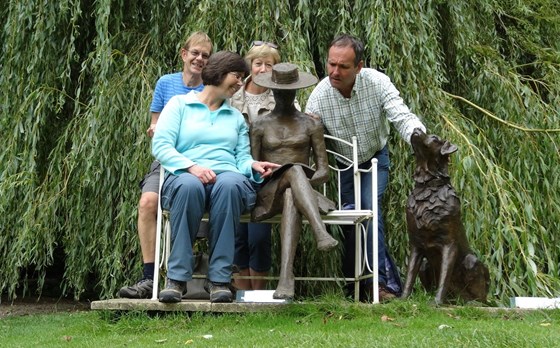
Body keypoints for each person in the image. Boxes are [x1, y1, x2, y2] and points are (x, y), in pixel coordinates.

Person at [305, 34, 427, 302]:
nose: (335, 72)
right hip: (343, 164)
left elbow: (401, 115)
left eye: (343, 66)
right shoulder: (319, 97)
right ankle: (356, 285)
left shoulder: (377, 82)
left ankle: (378, 285)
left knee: (370, 211)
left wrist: (420, 139)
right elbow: (309, 139)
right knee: (352, 222)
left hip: (374, 158)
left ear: (359, 66)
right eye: (331, 64)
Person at [152, 51, 280, 303]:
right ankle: (177, 280)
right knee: (190, 186)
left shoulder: (235, 117)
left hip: (227, 178)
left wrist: (253, 165)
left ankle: (220, 280)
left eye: (243, 78)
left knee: (230, 184)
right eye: (237, 76)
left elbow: (241, 157)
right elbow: (161, 146)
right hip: (185, 177)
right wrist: (192, 167)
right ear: (220, 73)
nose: (240, 83)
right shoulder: (179, 105)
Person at [118, 32, 213, 299]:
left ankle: (211, 275)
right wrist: (155, 129)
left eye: (205, 55)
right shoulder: (166, 83)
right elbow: (156, 123)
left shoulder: (211, 88)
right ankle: (149, 277)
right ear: (184, 54)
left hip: (200, 161)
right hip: (168, 159)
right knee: (147, 202)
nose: (199, 59)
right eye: (195, 53)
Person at [250, 63, 339, 300]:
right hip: (269, 193)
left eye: (289, 92)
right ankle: (321, 232)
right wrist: (270, 172)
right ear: (273, 91)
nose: (284, 96)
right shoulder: (259, 124)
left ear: (295, 92)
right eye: (280, 91)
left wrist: (303, 174)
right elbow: (252, 168)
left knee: (293, 185)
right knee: (293, 174)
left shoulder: (311, 124)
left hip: (301, 193)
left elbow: (323, 172)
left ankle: (285, 279)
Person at [230, 41, 301, 291]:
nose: (262, 69)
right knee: (238, 234)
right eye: (257, 63)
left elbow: (294, 129)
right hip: (237, 171)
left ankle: (257, 295)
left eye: (268, 64)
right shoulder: (232, 96)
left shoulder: (282, 97)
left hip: (269, 174)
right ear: (250, 64)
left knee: (258, 235)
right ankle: (242, 295)